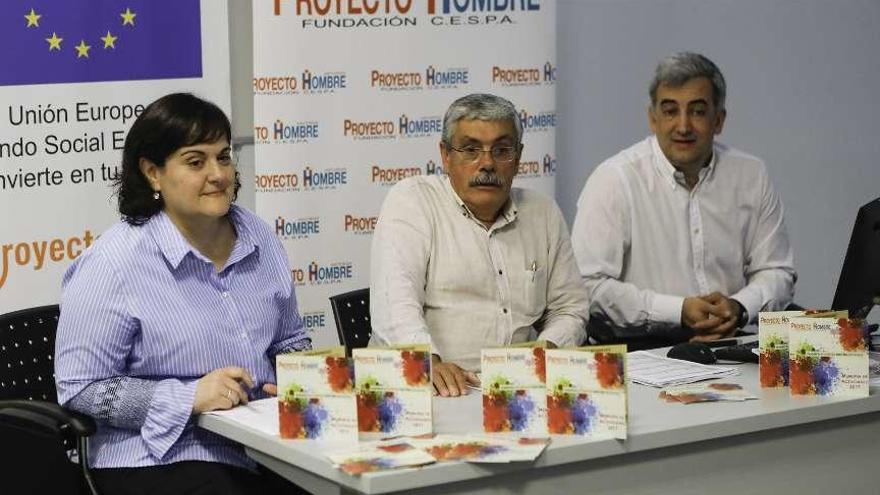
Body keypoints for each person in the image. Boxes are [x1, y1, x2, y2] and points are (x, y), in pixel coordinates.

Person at [54, 93, 311, 495]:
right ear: (153, 173)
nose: (218, 174)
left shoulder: (260, 236)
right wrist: (188, 396)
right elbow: (81, 390)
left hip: (264, 446)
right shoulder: (113, 262)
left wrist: (301, 382)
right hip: (155, 456)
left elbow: (289, 341)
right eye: (196, 162)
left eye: (223, 157)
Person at [370, 93, 589, 397]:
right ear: (446, 156)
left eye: (501, 150)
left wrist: (545, 349)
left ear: (518, 157)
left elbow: (571, 308)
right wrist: (428, 362)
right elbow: (395, 302)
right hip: (427, 389)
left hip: (518, 390)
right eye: (471, 150)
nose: (487, 163)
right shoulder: (413, 201)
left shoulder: (543, 213)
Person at [571, 52, 796, 347]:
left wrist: (739, 308)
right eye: (670, 111)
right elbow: (588, 287)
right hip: (644, 350)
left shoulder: (751, 174)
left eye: (698, 111)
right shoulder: (615, 179)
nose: (683, 126)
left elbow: (777, 270)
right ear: (652, 119)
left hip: (731, 339)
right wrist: (678, 311)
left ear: (719, 120)